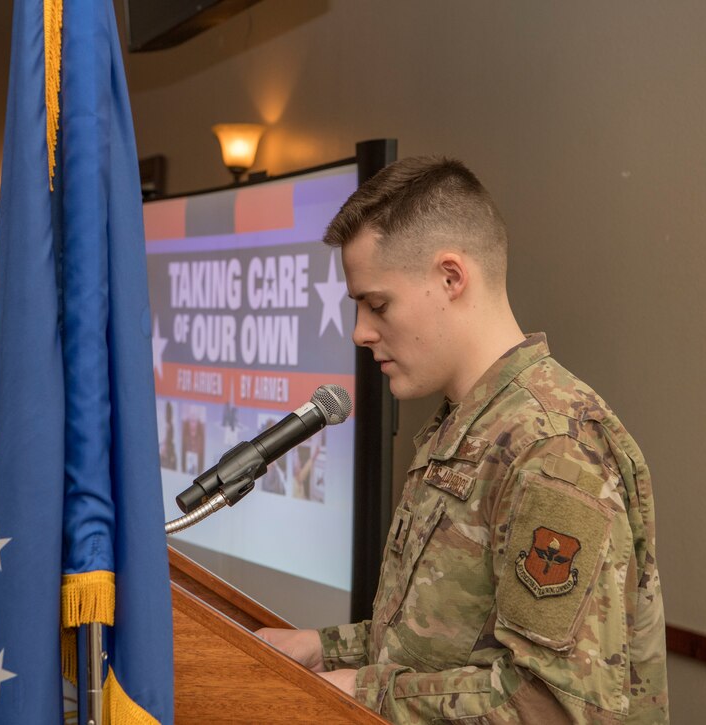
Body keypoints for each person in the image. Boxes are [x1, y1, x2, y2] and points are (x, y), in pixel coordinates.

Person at [257, 158, 668, 722]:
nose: (360, 332)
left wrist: (367, 692)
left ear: (451, 278)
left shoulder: (553, 446)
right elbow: (445, 639)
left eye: (377, 304)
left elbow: (550, 703)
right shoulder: (465, 423)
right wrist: (323, 649)